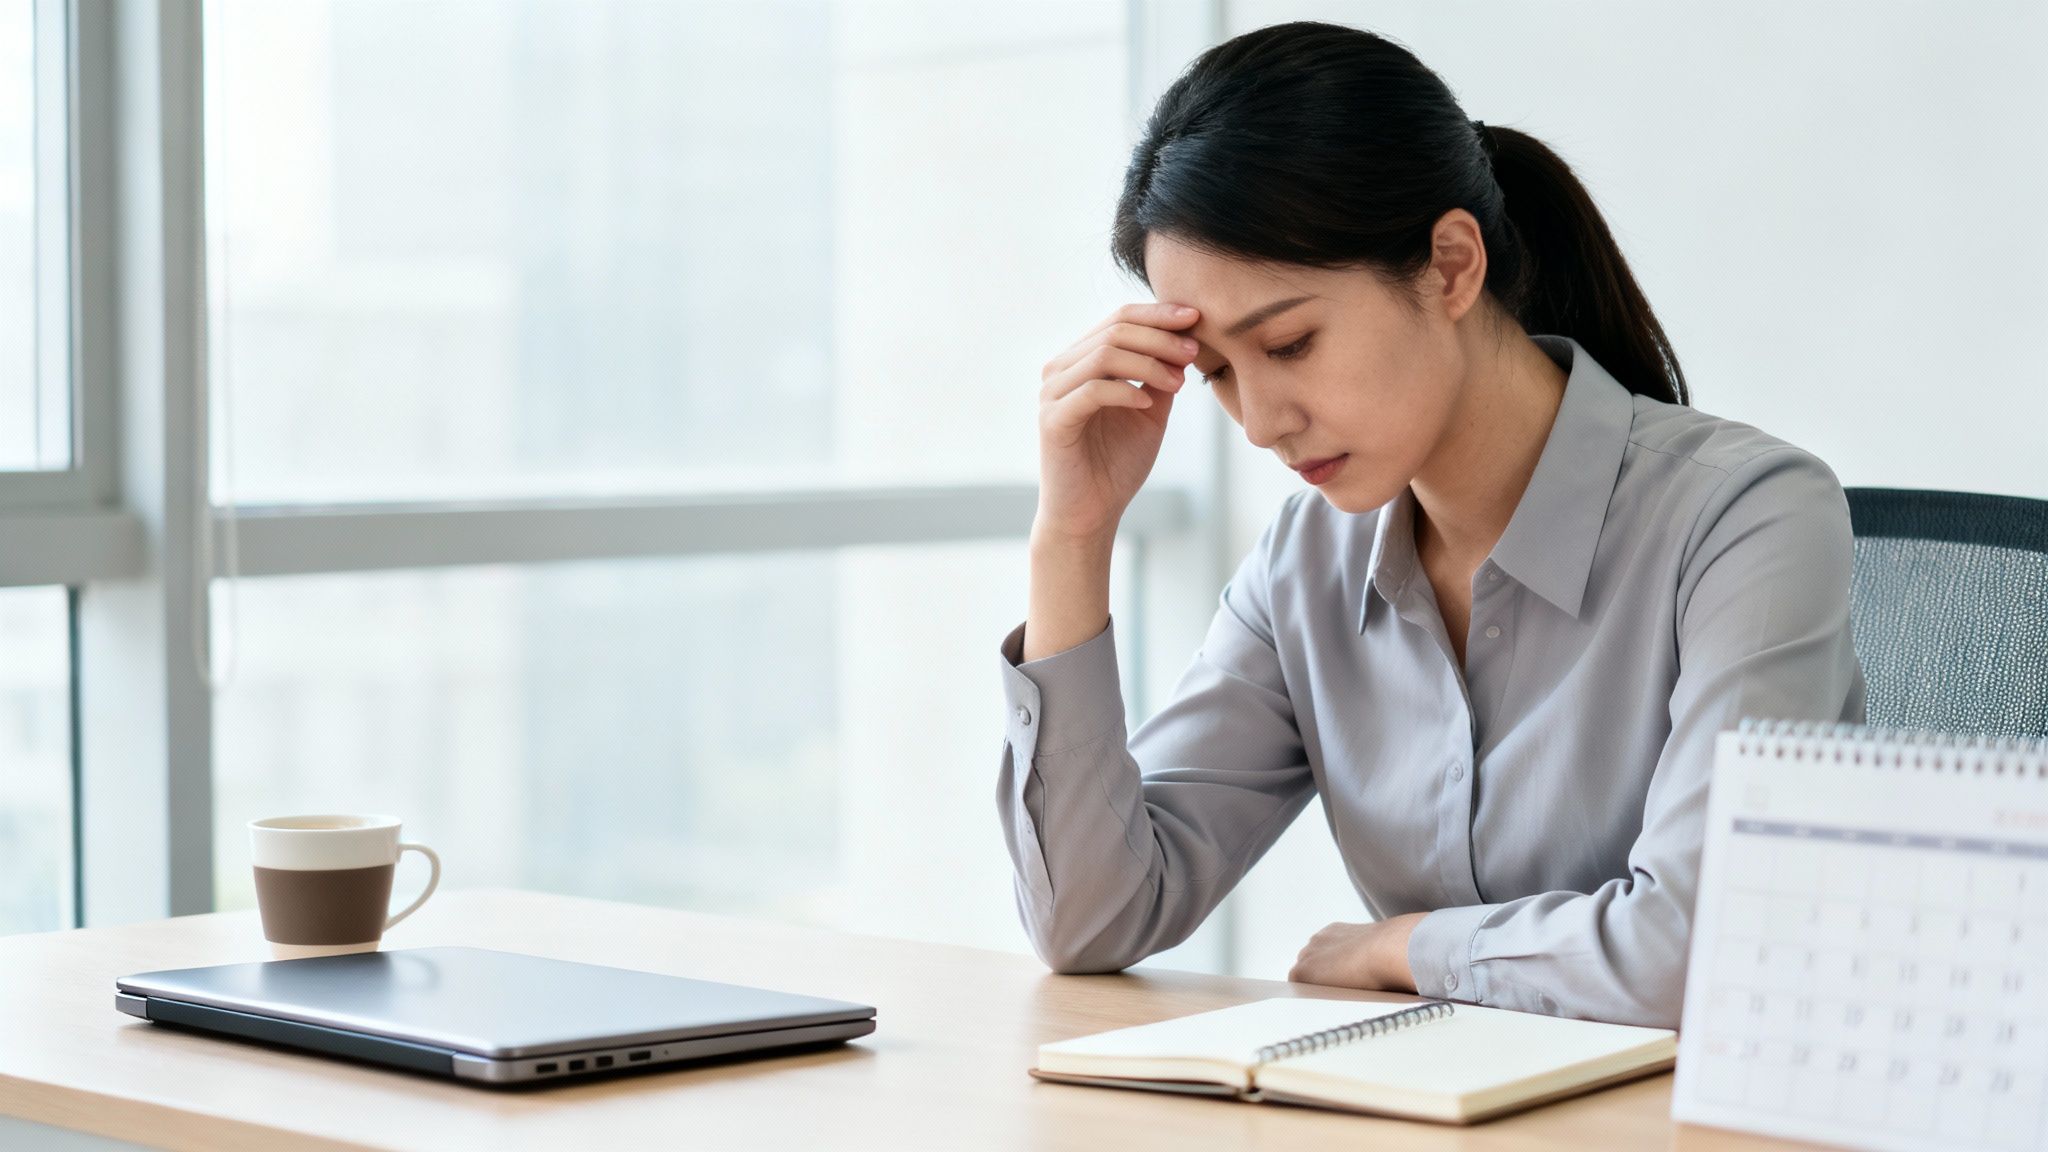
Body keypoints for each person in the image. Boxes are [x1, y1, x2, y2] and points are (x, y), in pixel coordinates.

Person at [993, 20, 1865, 1030]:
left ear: (1451, 266)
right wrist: (1073, 532)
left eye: (1290, 341)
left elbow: (1695, 953)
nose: (1262, 422)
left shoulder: (1745, 517)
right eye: (1219, 372)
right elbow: (1092, 920)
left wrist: (1402, 947)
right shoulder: (1304, 567)